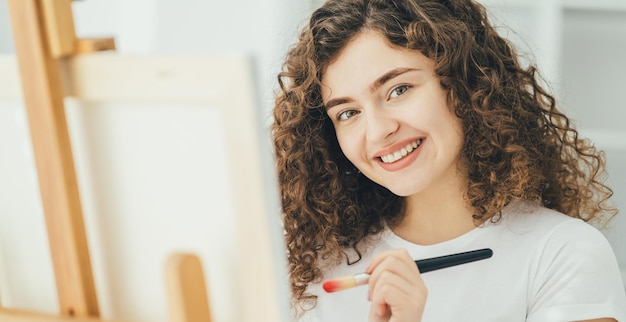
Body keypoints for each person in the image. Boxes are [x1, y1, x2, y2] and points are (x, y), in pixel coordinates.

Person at [271, 0, 626, 321]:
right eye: (348, 113)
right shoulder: (320, 269)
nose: (378, 131)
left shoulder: (561, 252)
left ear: (465, 83)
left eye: (399, 90)